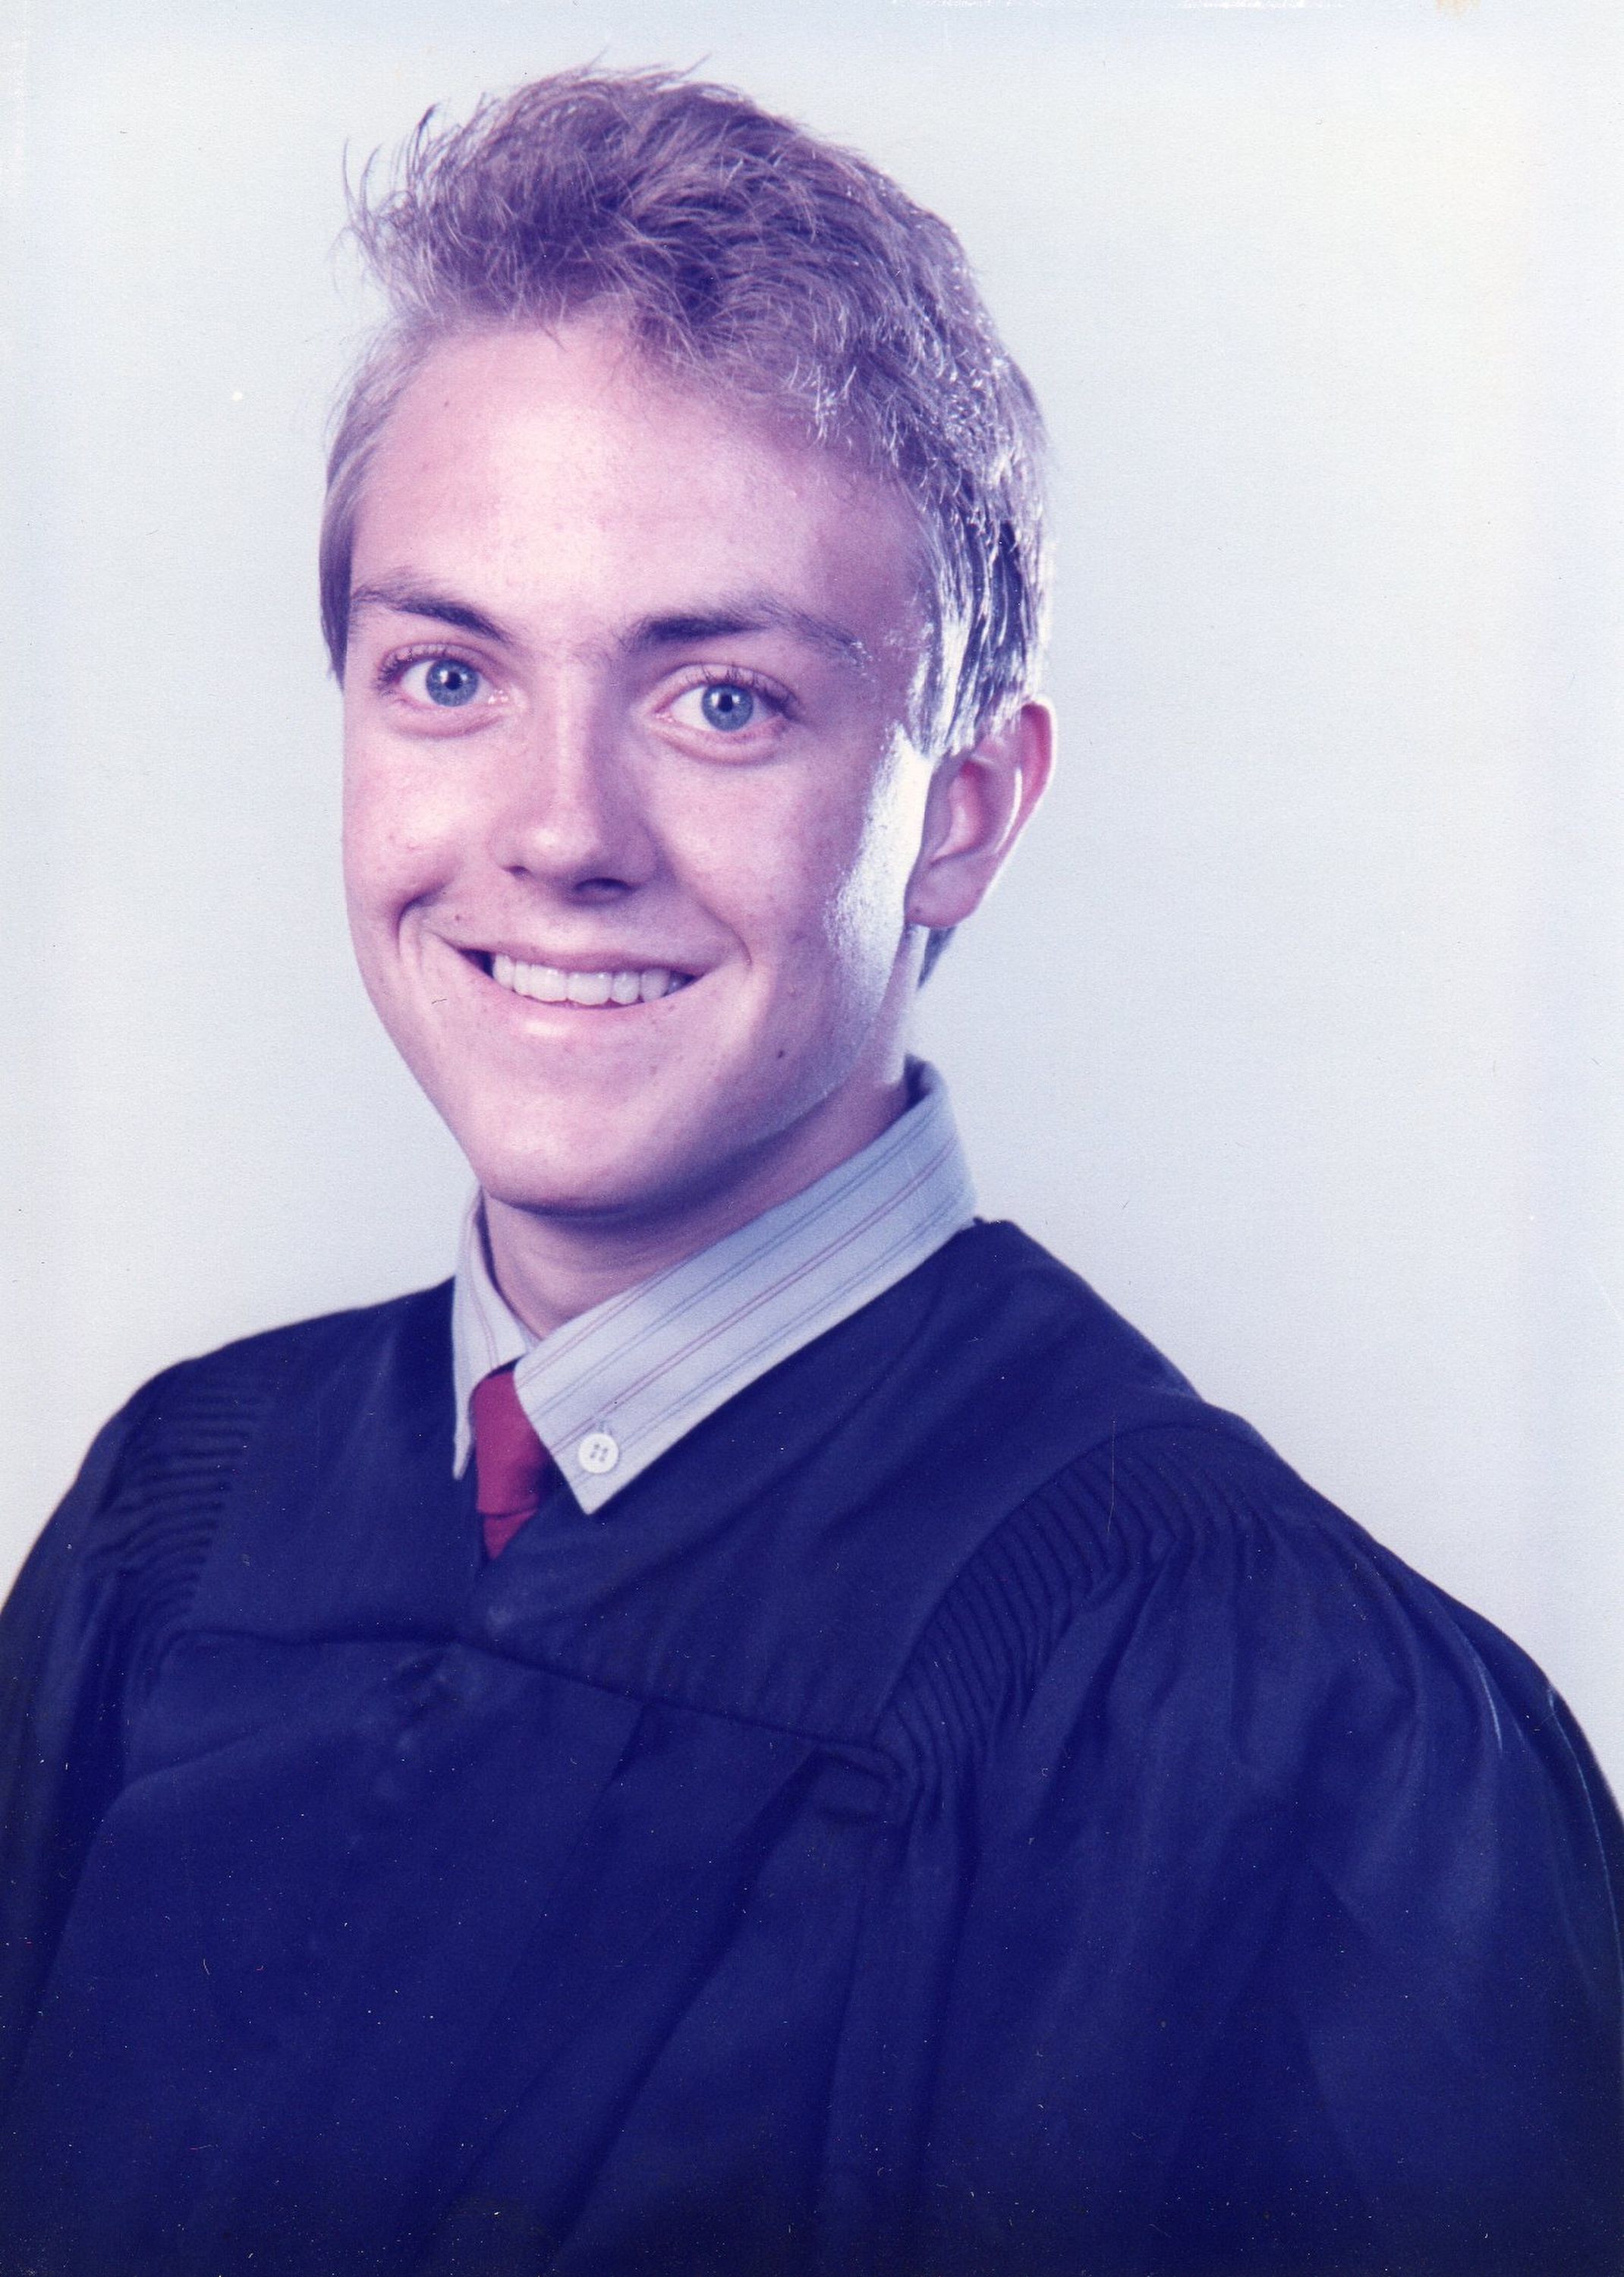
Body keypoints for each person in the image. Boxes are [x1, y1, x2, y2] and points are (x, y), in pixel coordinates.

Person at [0, 65, 1618, 2277]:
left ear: (964, 797)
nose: (558, 832)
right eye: (449, 672)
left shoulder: (1278, 1728)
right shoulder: (172, 1529)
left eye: (724, 700)